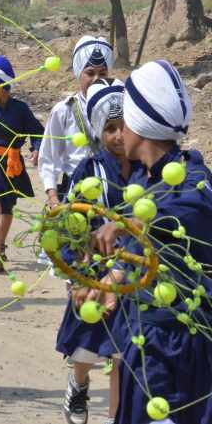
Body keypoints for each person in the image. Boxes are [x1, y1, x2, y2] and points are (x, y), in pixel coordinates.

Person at [77, 60, 212, 424]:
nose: (120, 131)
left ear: (141, 123)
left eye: (126, 120)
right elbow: (143, 254)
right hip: (144, 337)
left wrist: (126, 224)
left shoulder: (192, 176)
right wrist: (111, 281)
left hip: (176, 346)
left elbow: (191, 210)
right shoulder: (144, 178)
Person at [55, 78, 128, 424]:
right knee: (87, 346)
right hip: (93, 272)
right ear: (99, 132)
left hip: (133, 274)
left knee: (122, 355)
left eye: (124, 126)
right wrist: (76, 273)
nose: (118, 135)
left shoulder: (146, 170)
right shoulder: (90, 170)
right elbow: (71, 227)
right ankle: (79, 383)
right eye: (110, 128)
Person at [0, 55, 44, 273]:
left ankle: (1, 246)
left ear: (3, 86)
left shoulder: (21, 110)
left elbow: (37, 132)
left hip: (12, 163)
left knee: (7, 208)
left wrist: (36, 149)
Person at [39, 36, 113, 207]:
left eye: (102, 74)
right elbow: (49, 157)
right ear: (79, 73)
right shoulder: (63, 110)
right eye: (90, 73)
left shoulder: (118, 107)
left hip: (110, 190)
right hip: (73, 192)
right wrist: (53, 197)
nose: (96, 79)